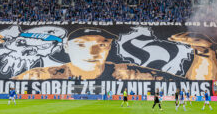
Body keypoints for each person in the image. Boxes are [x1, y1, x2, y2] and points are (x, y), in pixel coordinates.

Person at [15, 28, 186, 81]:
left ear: (110, 47)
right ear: (66, 47)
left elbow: (186, 82)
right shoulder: (39, 75)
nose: (92, 52)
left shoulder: (133, 73)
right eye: (81, 44)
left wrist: (204, 53)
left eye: (102, 44)